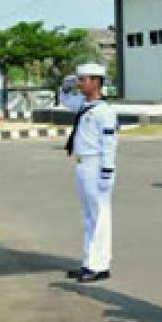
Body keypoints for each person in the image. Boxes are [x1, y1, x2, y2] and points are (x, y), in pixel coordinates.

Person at [59, 63, 117, 283]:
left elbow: (109, 144)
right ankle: (89, 261)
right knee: (88, 217)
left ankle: (100, 266)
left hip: (96, 166)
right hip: (82, 165)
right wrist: (65, 86)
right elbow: (65, 100)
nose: (80, 84)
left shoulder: (104, 112)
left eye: (83, 80)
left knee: (99, 216)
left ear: (96, 81)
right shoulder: (84, 105)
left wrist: (107, 172)